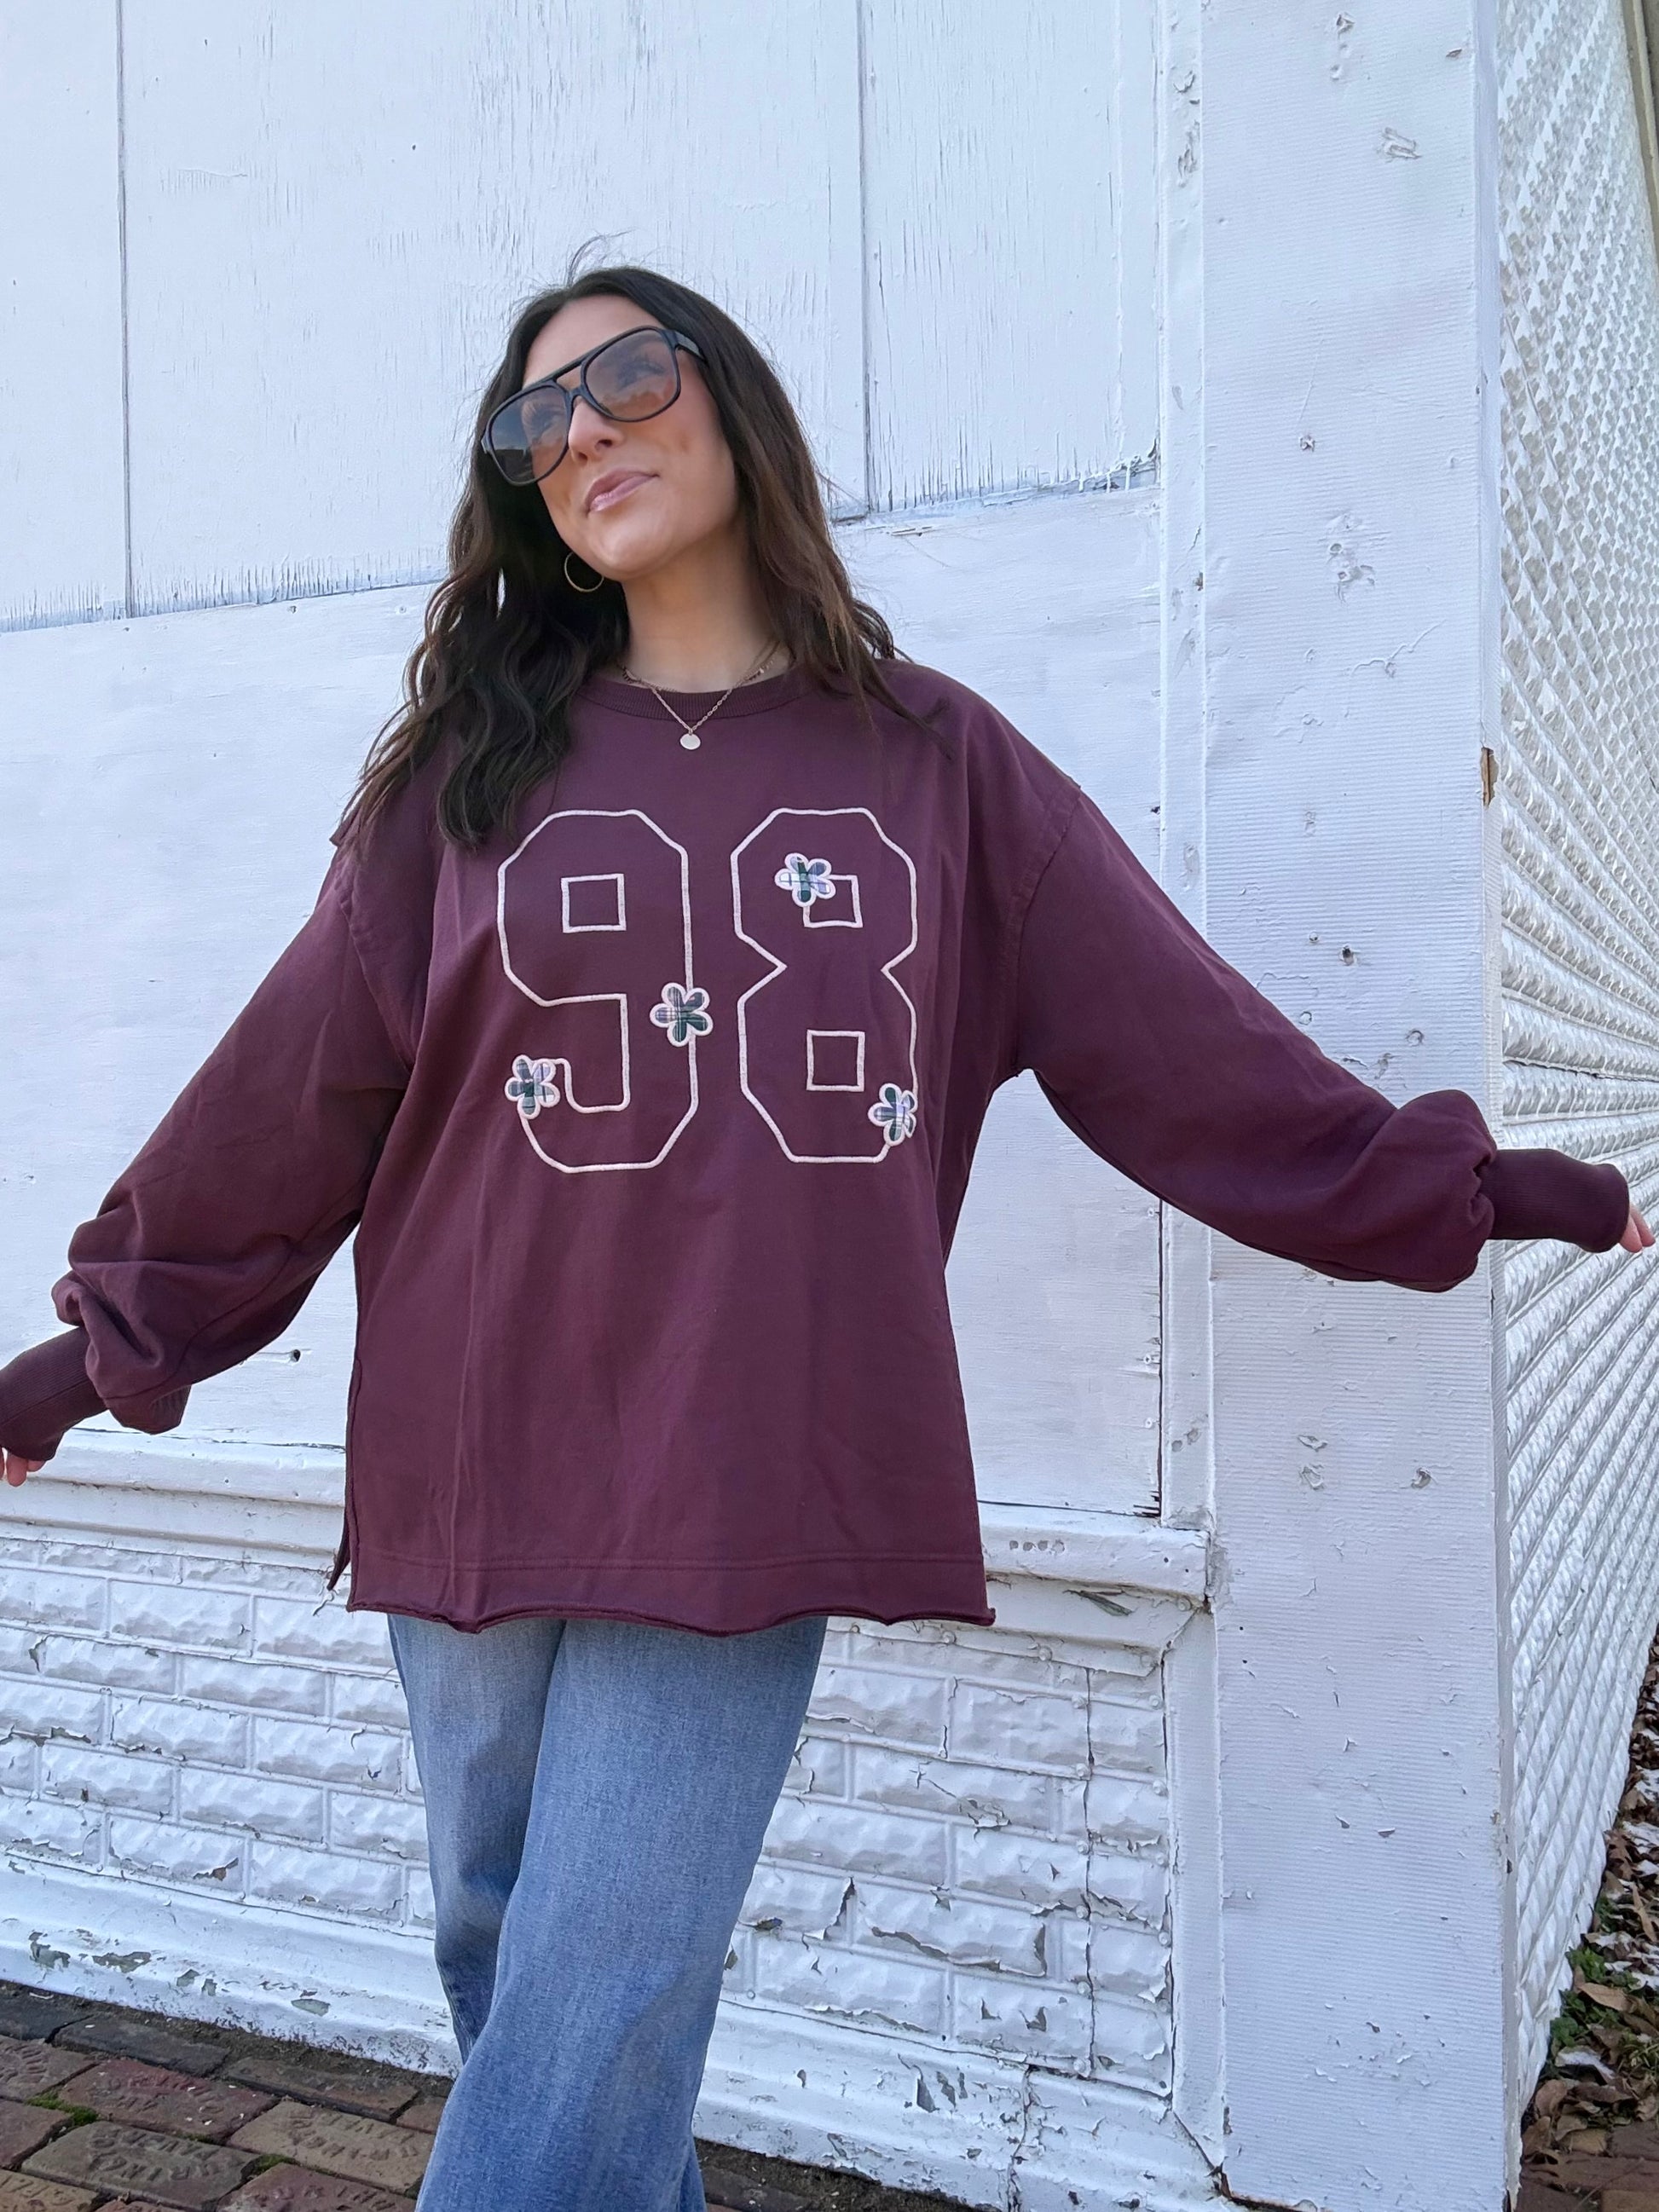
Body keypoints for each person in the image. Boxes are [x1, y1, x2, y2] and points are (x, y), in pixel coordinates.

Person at [0, 265, 1650, 2209]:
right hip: (468, 1451)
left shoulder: (939, 766)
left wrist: (1483, 1188)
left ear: (732, 400)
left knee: (601, 1988)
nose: (584, 431)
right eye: (536, 420)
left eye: (626, 376)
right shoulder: (463, 778)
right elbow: (292, 1096)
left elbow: (1181, 1050)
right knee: (517, 1966)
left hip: (746, 1453)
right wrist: (90, 1359)